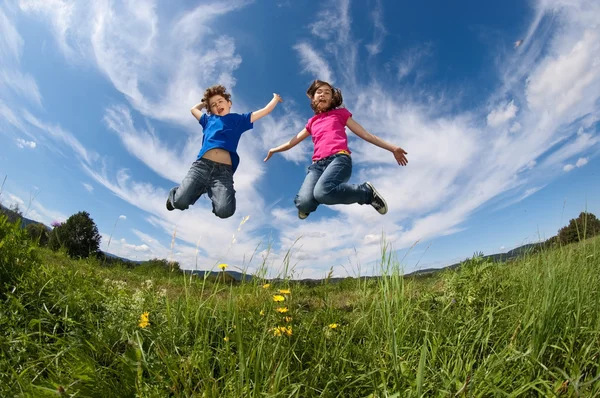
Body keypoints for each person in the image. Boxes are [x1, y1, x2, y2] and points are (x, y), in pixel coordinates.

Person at [264, 80, 407, 219]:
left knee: (322, 193)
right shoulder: (312, 122)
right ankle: (307, 205)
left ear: (332, 98)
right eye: (319, 92)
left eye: (327, 93)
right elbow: (292, 142)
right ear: (313, 97)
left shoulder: (340, 114)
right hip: (317, 166)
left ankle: (366, 193)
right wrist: (274, 149)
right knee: (303, 204)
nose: (323, 95)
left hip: (339, 159)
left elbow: (366, 135)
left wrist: (392, 148)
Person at [167, 85, 282, 218]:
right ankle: (176, 194)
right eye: (213, 105)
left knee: (225, 211)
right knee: (180, 202)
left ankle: (208, 188)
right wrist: (205, 103)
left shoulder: (239, 120)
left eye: (220, 101)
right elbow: (193, 110)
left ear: (229, 103)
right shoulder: (208, 120)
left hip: (223, 173)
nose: (217, 105)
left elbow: (265, 111)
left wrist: (275, 99)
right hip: (201, 167)